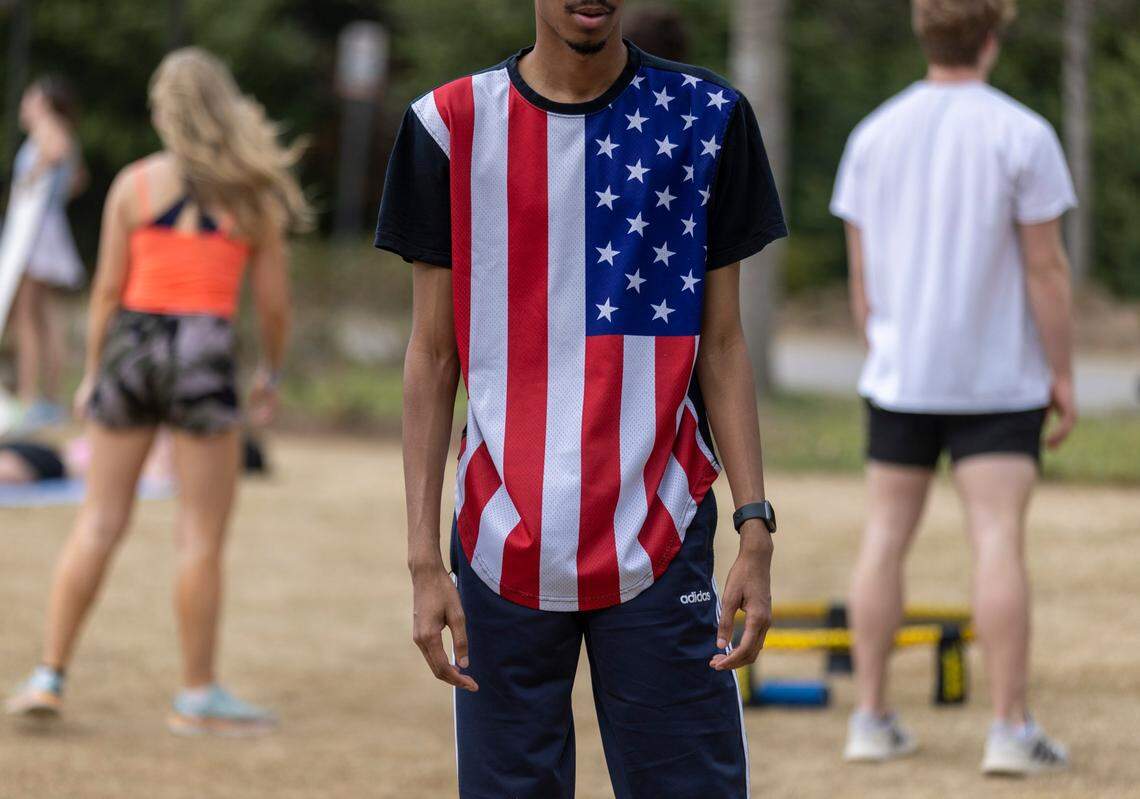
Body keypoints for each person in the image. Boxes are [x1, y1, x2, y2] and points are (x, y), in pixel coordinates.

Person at [377, 1, 786, 796]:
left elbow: (725, 345)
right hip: (500, 540)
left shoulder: (708, 118)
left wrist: (755, 522)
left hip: (659, 529)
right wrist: (425, 562)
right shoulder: (446, 126)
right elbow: (432, 357)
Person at [5, 47, 309, 736]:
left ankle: (49, 672)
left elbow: (108, 290)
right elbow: (274, 308)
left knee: (98, 521)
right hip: (203, 352)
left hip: (133, 347)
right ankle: (197, 694)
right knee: (199, 536)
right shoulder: (252, 193)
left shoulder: (134, 186)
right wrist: (271, 373)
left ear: (163, 111)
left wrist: (90, 373)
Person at [830, 0, 1076, 776]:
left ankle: (870, 715)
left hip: (901, 377)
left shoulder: (873, 133)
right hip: (997, 379)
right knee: (997, 538)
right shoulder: (1023, 132)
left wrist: (887, 346)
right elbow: (1046, 268)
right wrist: (1062, 371)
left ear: (923, 32)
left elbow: (861, 281)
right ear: (993, 38)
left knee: (884, 537)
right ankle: (1008, 728)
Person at [8, 76, 88, 429]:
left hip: (37, 234)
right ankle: (49, 399)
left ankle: (30, 398)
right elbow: (77, 178)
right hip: (46, 228)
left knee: (27, 315)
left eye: (30, 97)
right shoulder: (62, 131)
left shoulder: (49, 129)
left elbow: (55, 156)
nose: (25, 104)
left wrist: (34, 179)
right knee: (43, 315)